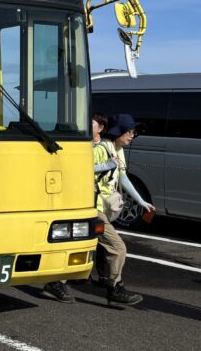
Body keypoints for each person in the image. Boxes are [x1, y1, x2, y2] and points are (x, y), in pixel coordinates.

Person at [42, 113, 115, 303]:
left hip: (96, 200)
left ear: (101, 128)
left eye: (90, 124)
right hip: (85, 200)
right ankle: (113, 286)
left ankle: (79, 278)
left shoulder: (105, 146)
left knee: (86, 240)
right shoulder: (79, 147)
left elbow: (116, 169)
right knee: (102, 243)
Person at [93, 113, 154, 305]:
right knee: (118, 247)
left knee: (89, 245)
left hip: (103, 206)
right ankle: (114, 288)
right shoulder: (102, 148)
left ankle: (58, 283)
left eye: (133, 132)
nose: (132, 136)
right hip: (93, 206)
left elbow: (123, 177)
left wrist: (140, 200)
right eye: (128, 132)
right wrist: (106, 165)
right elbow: (81, 169)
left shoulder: (118, 149)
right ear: (117, 132)